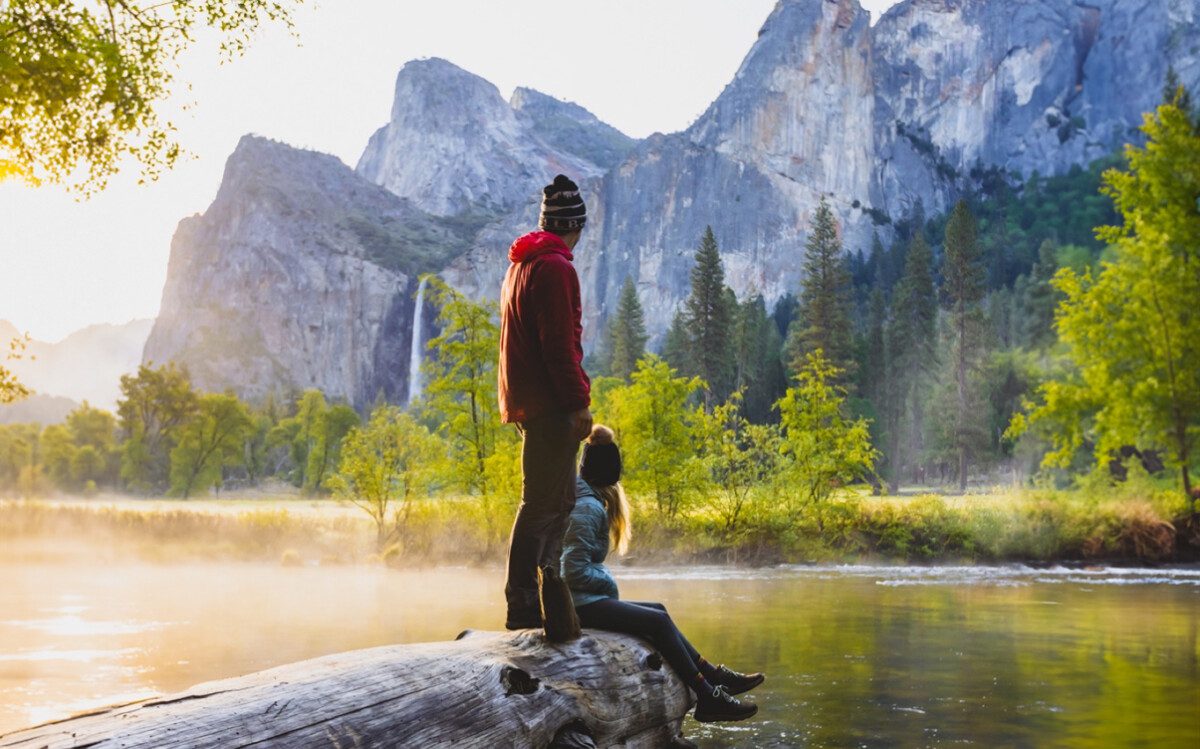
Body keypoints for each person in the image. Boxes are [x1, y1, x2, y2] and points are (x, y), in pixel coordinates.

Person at [561, 424, 764, 723]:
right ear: (608, 478)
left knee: (658, 611)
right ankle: (707, 695)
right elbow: (571, 570)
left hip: (582, 600)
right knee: (655, 620)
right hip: (577, 605)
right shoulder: (588, 508)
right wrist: (608, 582)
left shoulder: (587, 500)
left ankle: (712, 676)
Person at [498, 174, 593, 642]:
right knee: (546, 505)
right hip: (552, 405)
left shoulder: (521, 266)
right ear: (572, 226)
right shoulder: (555, 268)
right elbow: (561, 346)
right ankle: (526, 607)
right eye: (580, 228)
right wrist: (578, 404)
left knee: (552, 501)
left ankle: (544, 601)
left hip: (530, 403)